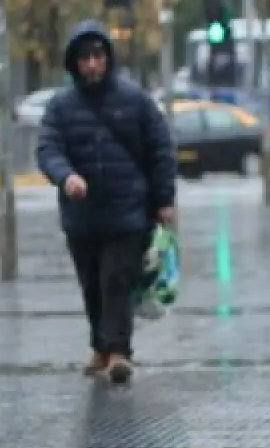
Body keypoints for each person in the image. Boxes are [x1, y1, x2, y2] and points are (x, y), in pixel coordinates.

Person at [37, 20, 178, 384]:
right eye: (84, 58)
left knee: (116, 279)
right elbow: (48, 149)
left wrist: (164, 199)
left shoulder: (135, 101)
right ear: (74, 63)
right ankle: (101, 347)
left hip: (127, 212)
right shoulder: (60, 107)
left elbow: (160, 150)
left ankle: (118, 352)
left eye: (97, 56)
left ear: (108, 58)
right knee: (91, 284)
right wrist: (66, 177)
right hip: (81, 216)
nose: (92, 65)